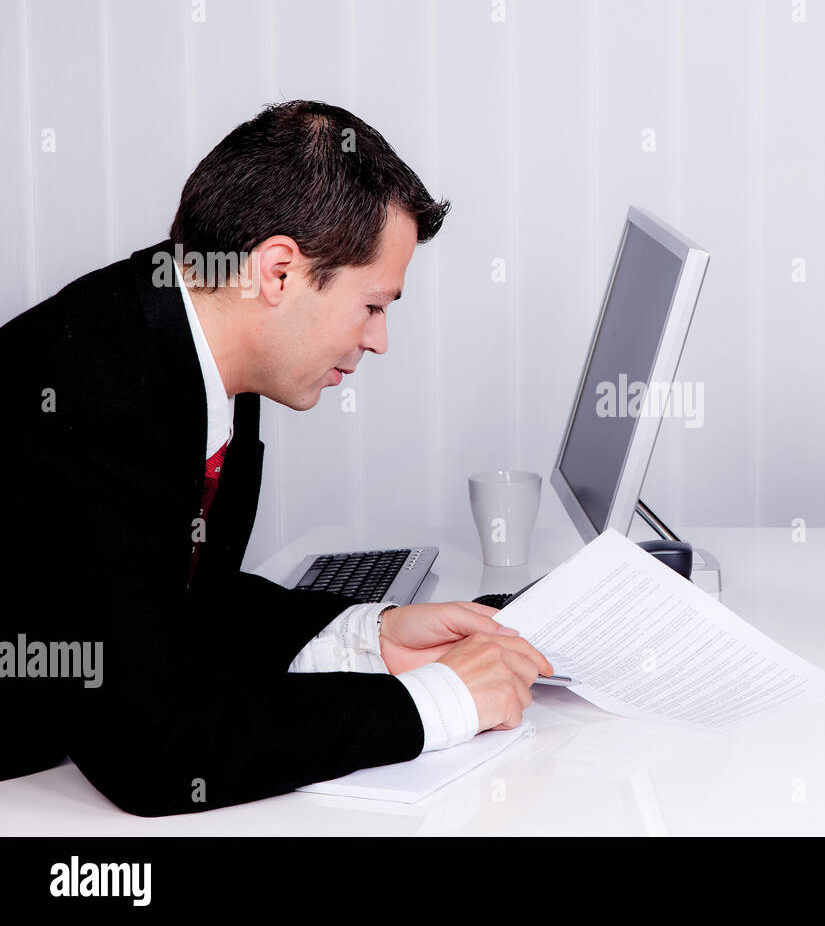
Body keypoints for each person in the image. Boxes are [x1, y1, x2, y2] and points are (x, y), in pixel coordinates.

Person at [0, 100, 551, 816]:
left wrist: (367, 637)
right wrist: (437, 703)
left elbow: (177, 600)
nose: (379, 339)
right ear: (279, 273)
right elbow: (152, 753)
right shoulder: (94, 396)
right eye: (375, 305)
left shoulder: (210, 340)